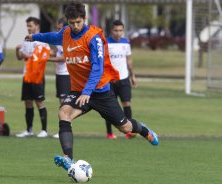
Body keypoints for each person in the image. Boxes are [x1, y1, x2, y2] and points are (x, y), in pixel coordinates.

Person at [25, 1, 159, 171]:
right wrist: (34, 37)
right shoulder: (66, 32)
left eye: (78, 22)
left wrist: (88, 91)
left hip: (100, 92)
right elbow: (53, 37)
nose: (75, 26)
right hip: (79, 91)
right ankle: (68, 159)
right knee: (63, 113)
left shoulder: (93, 38)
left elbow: (98, 67)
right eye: (71, 23)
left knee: (125, 127)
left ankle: (144, 129)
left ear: (85, 19)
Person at [15, 17, 50, 138]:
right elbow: (21, 57)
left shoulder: (42, 40)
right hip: (27, 75)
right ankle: (29, 129)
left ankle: (44, 130)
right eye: (27, 26)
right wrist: (17, 51)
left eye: (30, 26)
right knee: (28, 102)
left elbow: (43, 57)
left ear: (37, 26)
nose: (28, 28)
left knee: (39, 102)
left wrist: (27, 56)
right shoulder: (26, 39)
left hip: (37, 75)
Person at [105, 20, 137, 139]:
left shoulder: (126, 43)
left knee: (127, 103)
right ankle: (109, 133)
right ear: (111, 30)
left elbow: (129, 61)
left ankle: (129, 131)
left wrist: (132, 75)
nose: (118, 33)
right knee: (109, 106)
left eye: (120, 30)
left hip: (123, 78)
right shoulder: (106, 43)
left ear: (123, 31)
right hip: (109, 80)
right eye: (115, 30)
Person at [47, 18, 71, 139]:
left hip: (65, 75)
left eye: (59, 28)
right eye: (57, 28)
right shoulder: (59, 41)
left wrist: (46, 59)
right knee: (62, 103)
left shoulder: (67, 41)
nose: (58, 30)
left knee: (64, 104)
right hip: (59, 74)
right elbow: (57, 53)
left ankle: (64, 130)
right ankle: (64, 129)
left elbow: (63, 58)